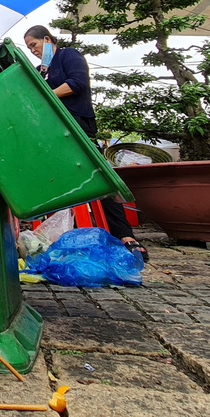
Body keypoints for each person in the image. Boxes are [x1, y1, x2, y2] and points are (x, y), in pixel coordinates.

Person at [23, 25, 148, 261]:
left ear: (47, 39)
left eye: (34, 45)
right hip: (54, 131)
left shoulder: (68, 55)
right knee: (52, 182)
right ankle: (51, 239)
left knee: (100, 180)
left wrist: (46, 95)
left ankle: (126, 237)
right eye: (29, 48)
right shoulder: (43, 70)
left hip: (78, 126)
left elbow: (77, 83)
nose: (33, 51)